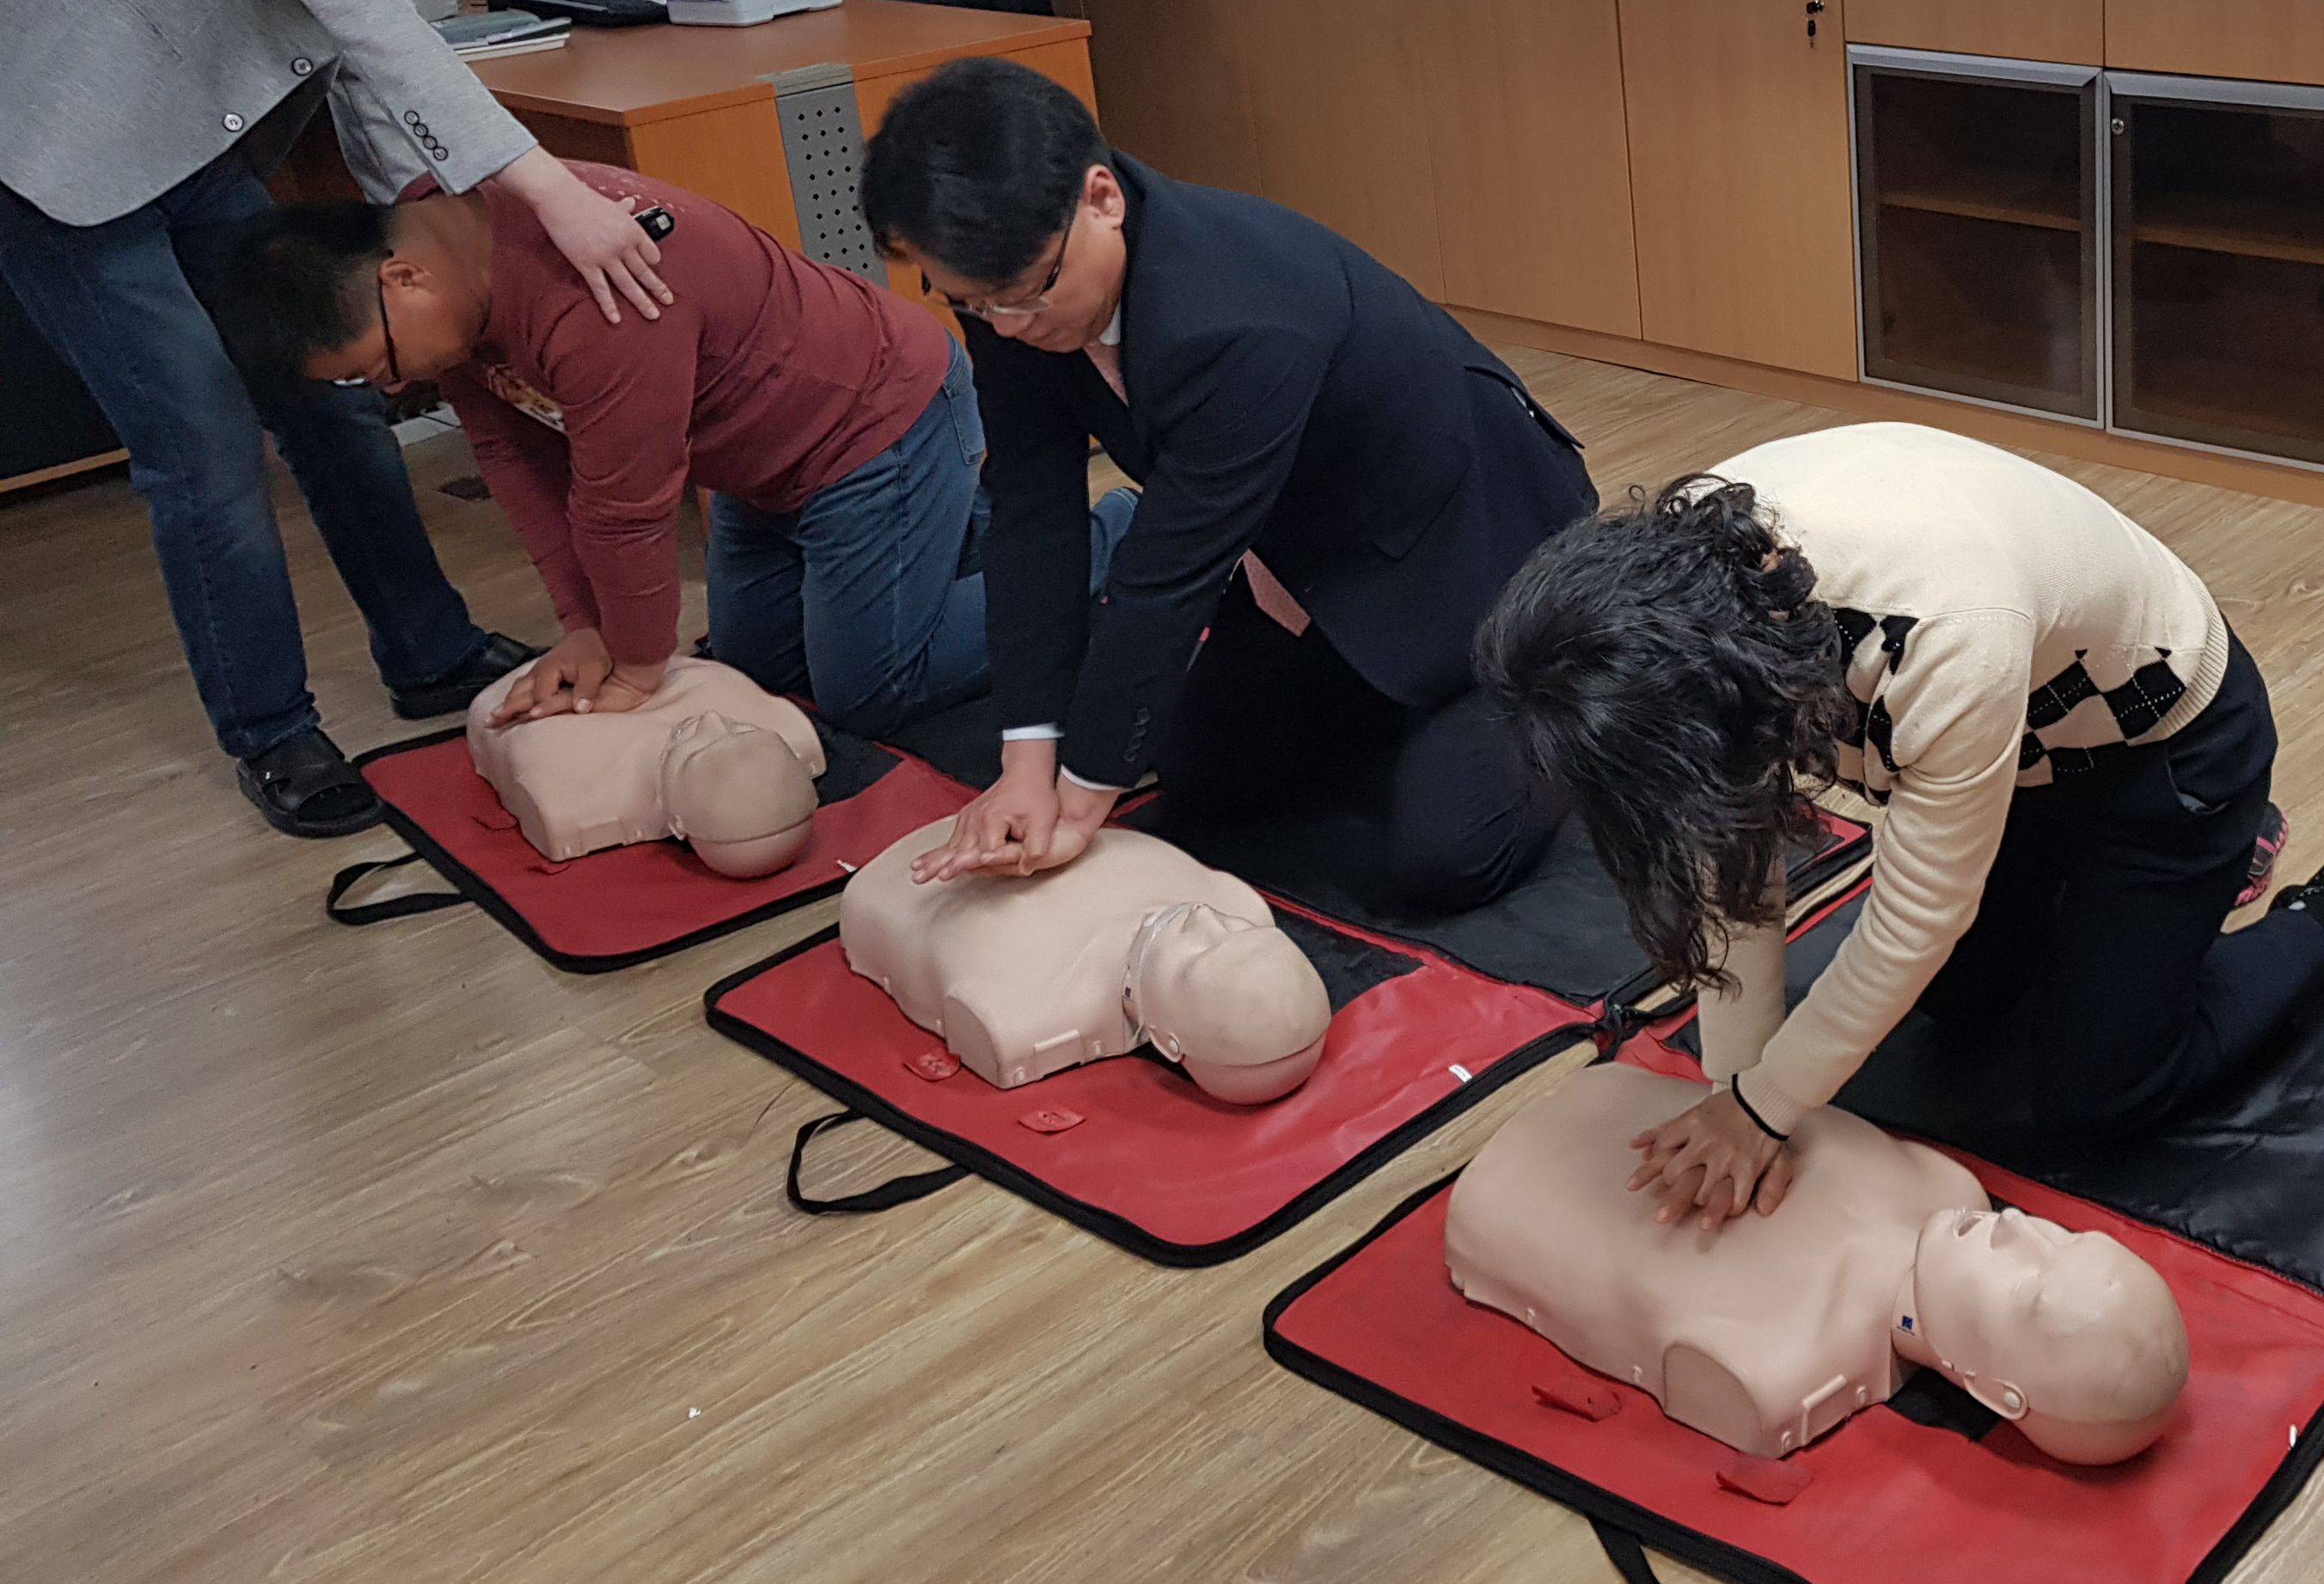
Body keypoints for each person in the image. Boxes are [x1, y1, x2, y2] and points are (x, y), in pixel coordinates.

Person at [0, 0, 676, 837]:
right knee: (204, 442)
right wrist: (543, 191)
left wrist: (408, 214)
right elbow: (362, 5)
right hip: (55, 138)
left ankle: (425, 651)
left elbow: (353, 53)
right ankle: (273, 733)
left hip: (189, 130)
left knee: (329, 380)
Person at [1475, 420, 2324, 1232]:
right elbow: (1731, 849)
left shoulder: (1943, 627)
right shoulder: (1692, 620)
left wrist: (1762, 1111)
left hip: (2163, 754)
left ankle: (2305, 910)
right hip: (2014, 752)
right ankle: (2147, 895)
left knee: (2099, 1096)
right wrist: (1738, 1091)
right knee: (1958, 1003)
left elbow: (1917, 917)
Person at [853, 55, 1596, 911]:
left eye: (1029, 295)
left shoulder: (1237, 316)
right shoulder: (1009, 288)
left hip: (1481, 552)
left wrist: (1079, 797)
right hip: (1314, 553)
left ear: (1102, 198)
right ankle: (1383, 691)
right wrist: (1029, 757)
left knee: (1448, 858)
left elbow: (1167, 574)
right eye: (977, 306)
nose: (1010, 328)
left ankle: (1586, 683)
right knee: (1202, 775)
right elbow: (1032, 509)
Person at [215, 165, 996, 741]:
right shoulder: (448, 247)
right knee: (763, 671)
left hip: (875, 426)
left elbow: (626, 509)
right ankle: (961, 528)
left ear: (403, 279)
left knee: (872, 692)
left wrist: (634, 665)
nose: (386, 389)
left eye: (373, 366)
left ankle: (1101, 544)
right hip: (760, 474)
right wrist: (586, 629)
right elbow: (516, 457)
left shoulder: (598, 304)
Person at [1446, 1060, 2188, 1465]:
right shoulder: (1946, 1187)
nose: (2022, 1228)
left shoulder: (1779, 1370)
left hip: (1507, 1192)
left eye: (2029, 1289)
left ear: (2002, 1397)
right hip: (1614, 1108)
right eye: (2063, 1238)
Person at [843, 822, 1330, 1101]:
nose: (1205, 918)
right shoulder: (1234, 902)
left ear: (1166, 1041)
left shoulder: (1025, 1004)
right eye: (1240, 931)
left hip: (900, 881)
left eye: (1195, 959)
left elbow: (976, 1007)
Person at [465, 651, 823, 873]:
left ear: (678, 823)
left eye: (698, 748)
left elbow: (493, 716)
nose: (713, 720)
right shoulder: (782, 726)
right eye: (742, 730)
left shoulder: (564, 780)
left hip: (535, 687)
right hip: (626, 653)